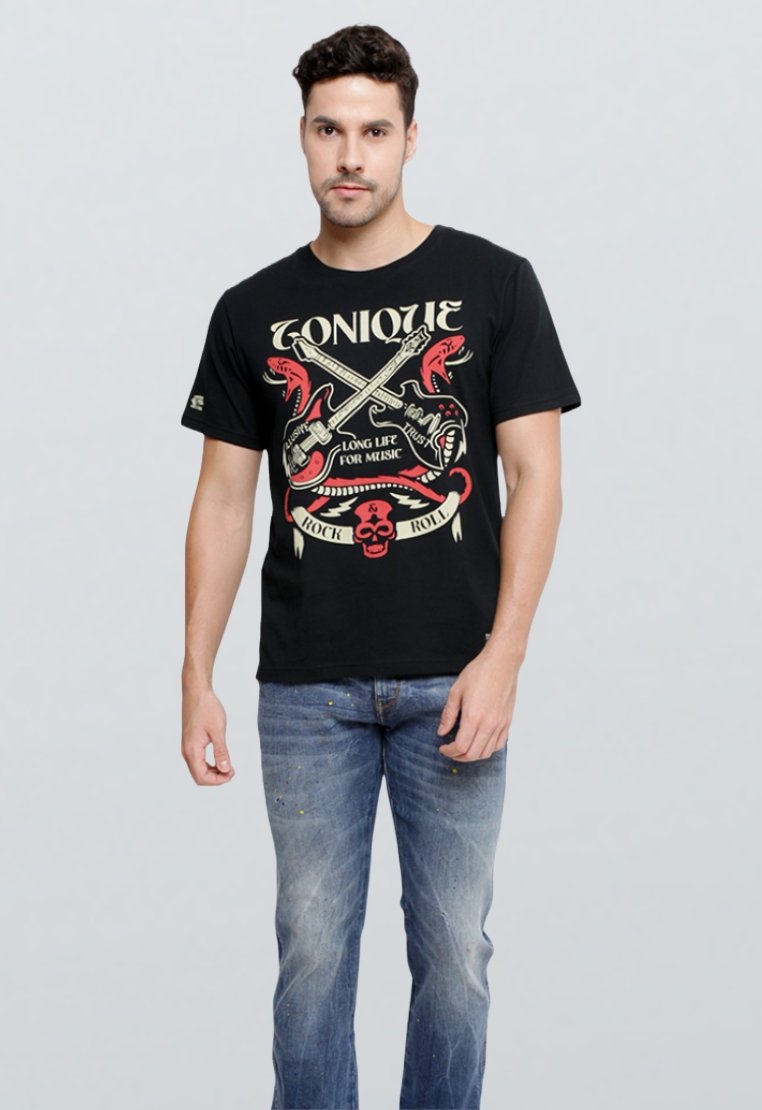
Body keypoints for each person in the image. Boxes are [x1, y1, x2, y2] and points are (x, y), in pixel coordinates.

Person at [179, 22, 581, 1110]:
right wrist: (195, 674)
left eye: (372, 131)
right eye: (329, 130)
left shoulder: (493, 282)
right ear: (302, 136)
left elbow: (536, 478)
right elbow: (223, 501)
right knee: (311, 957)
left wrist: (503, 659)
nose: (349, 156)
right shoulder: (251, 311)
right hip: (304, 687)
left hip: (456, 676)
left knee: (454, 956)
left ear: (410, 138)